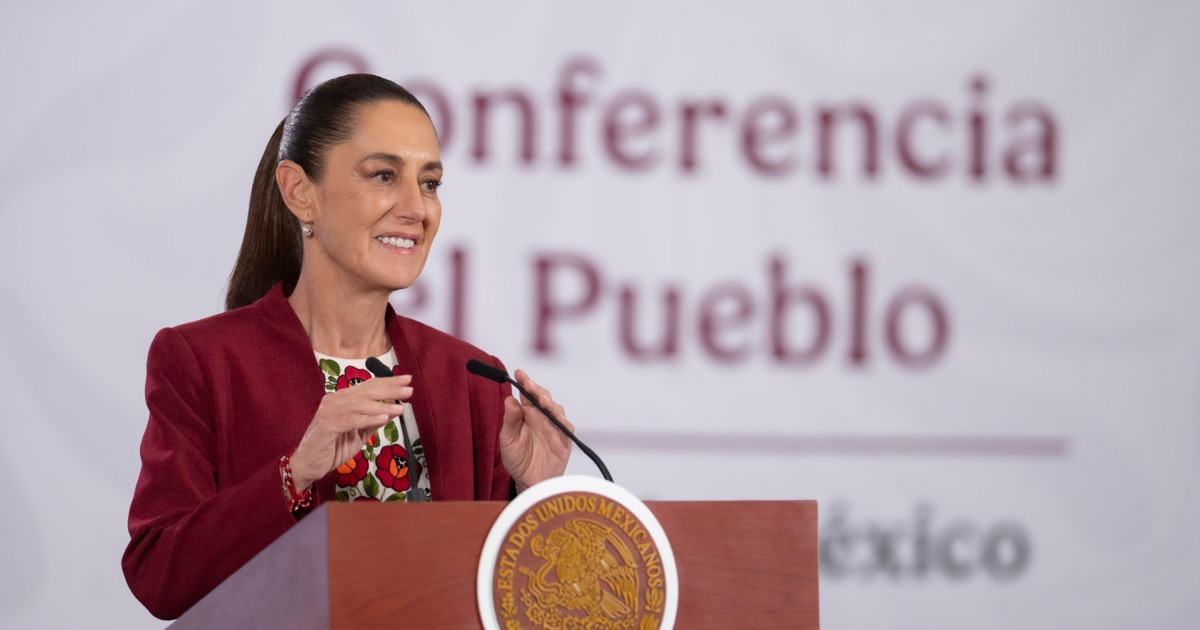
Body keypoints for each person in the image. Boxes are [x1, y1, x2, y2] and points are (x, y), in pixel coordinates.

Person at [121, 73, 573, 620]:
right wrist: (295, 474)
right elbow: (160, 577)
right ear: (299, 192)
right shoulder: (202, 361)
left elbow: (514, 601)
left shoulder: (473, 379)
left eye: (429, 183)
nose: (417, 208)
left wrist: (537, 495)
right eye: (384, 175)